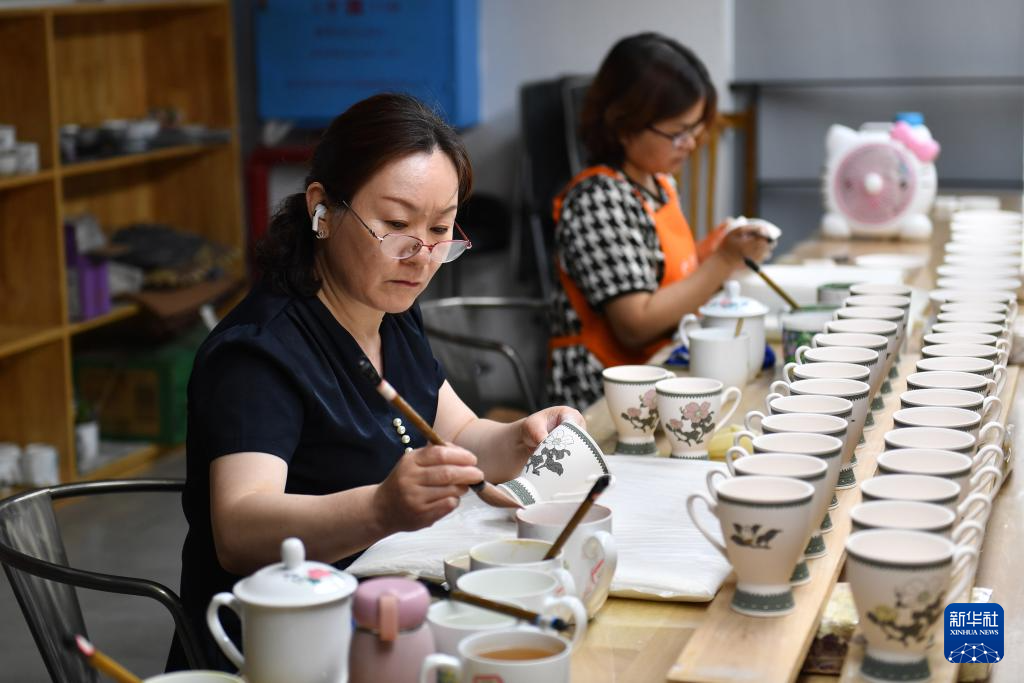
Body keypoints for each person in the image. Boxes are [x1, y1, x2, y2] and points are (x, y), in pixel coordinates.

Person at [168, 93, 582, 671]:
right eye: (395, 225)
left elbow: (459, 433)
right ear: (322, 208)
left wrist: (522, 438)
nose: (421, 256)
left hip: (386, 610)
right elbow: (239, 530)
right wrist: (382, 509)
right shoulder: (258, 354)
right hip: (279, 644)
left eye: (440, 229)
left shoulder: (390, 311)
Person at [548, 32, 772, 410]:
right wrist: (722, 261)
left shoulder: (659, 183)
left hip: (658, 373)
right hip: (602, 398)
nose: (691, 143)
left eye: (694, 129)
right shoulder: (598, 199)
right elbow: (636, 324)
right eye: (677, 133)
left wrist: (720, 249)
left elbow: (659, 274)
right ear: (624, 125)